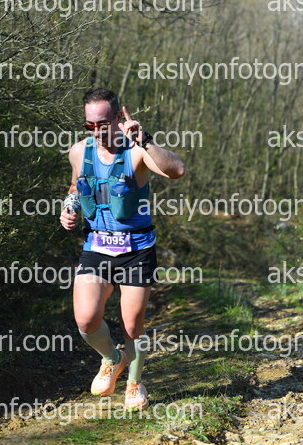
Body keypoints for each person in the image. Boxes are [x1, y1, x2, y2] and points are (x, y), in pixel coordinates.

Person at [60, 87, 185, 411]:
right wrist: (69, 206)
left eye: (102, 123)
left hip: (136, 248)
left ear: (118, 117)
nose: (96, 130)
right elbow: (76, 185)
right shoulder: (79, 151)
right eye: (89, 124)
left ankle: (134, 382)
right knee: (86, 320)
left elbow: (177, 170)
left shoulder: (136, 151)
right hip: (97, 245)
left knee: (131, 325)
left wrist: (146, 140)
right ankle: (112, 359)